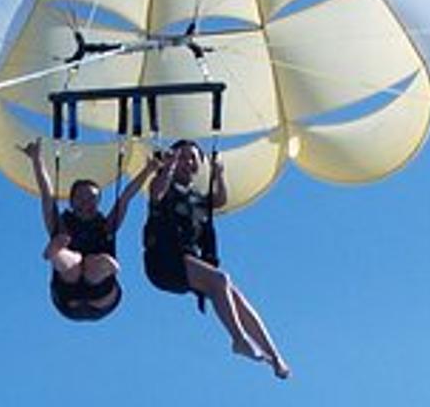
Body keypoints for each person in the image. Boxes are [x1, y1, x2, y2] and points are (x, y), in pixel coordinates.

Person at [143, 140, 289, 378]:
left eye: (193, 158)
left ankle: (274, 356)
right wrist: (166, 167)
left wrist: (218, 173)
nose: (188, 162)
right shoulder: (164, 189)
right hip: (164, 261)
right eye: (183, 157)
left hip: (186, 263)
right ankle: (239, 339)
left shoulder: (198, 199)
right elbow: (156, 192)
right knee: (220, 279)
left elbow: (219, 200)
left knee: (234, 294)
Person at [20, 138, 147, 323]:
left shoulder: (106, 225)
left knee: (90, 264)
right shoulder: (62, 224)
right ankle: (57, 254)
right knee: (75, 261)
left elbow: (126, 197)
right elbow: (47, 195)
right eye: (80, 197)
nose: (86, 202)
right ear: (71, 202)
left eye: (91, 198)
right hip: (67, 295)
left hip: (101, 294)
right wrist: (36, 159)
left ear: (98, 203)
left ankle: (100, 264)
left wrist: (149, 169)